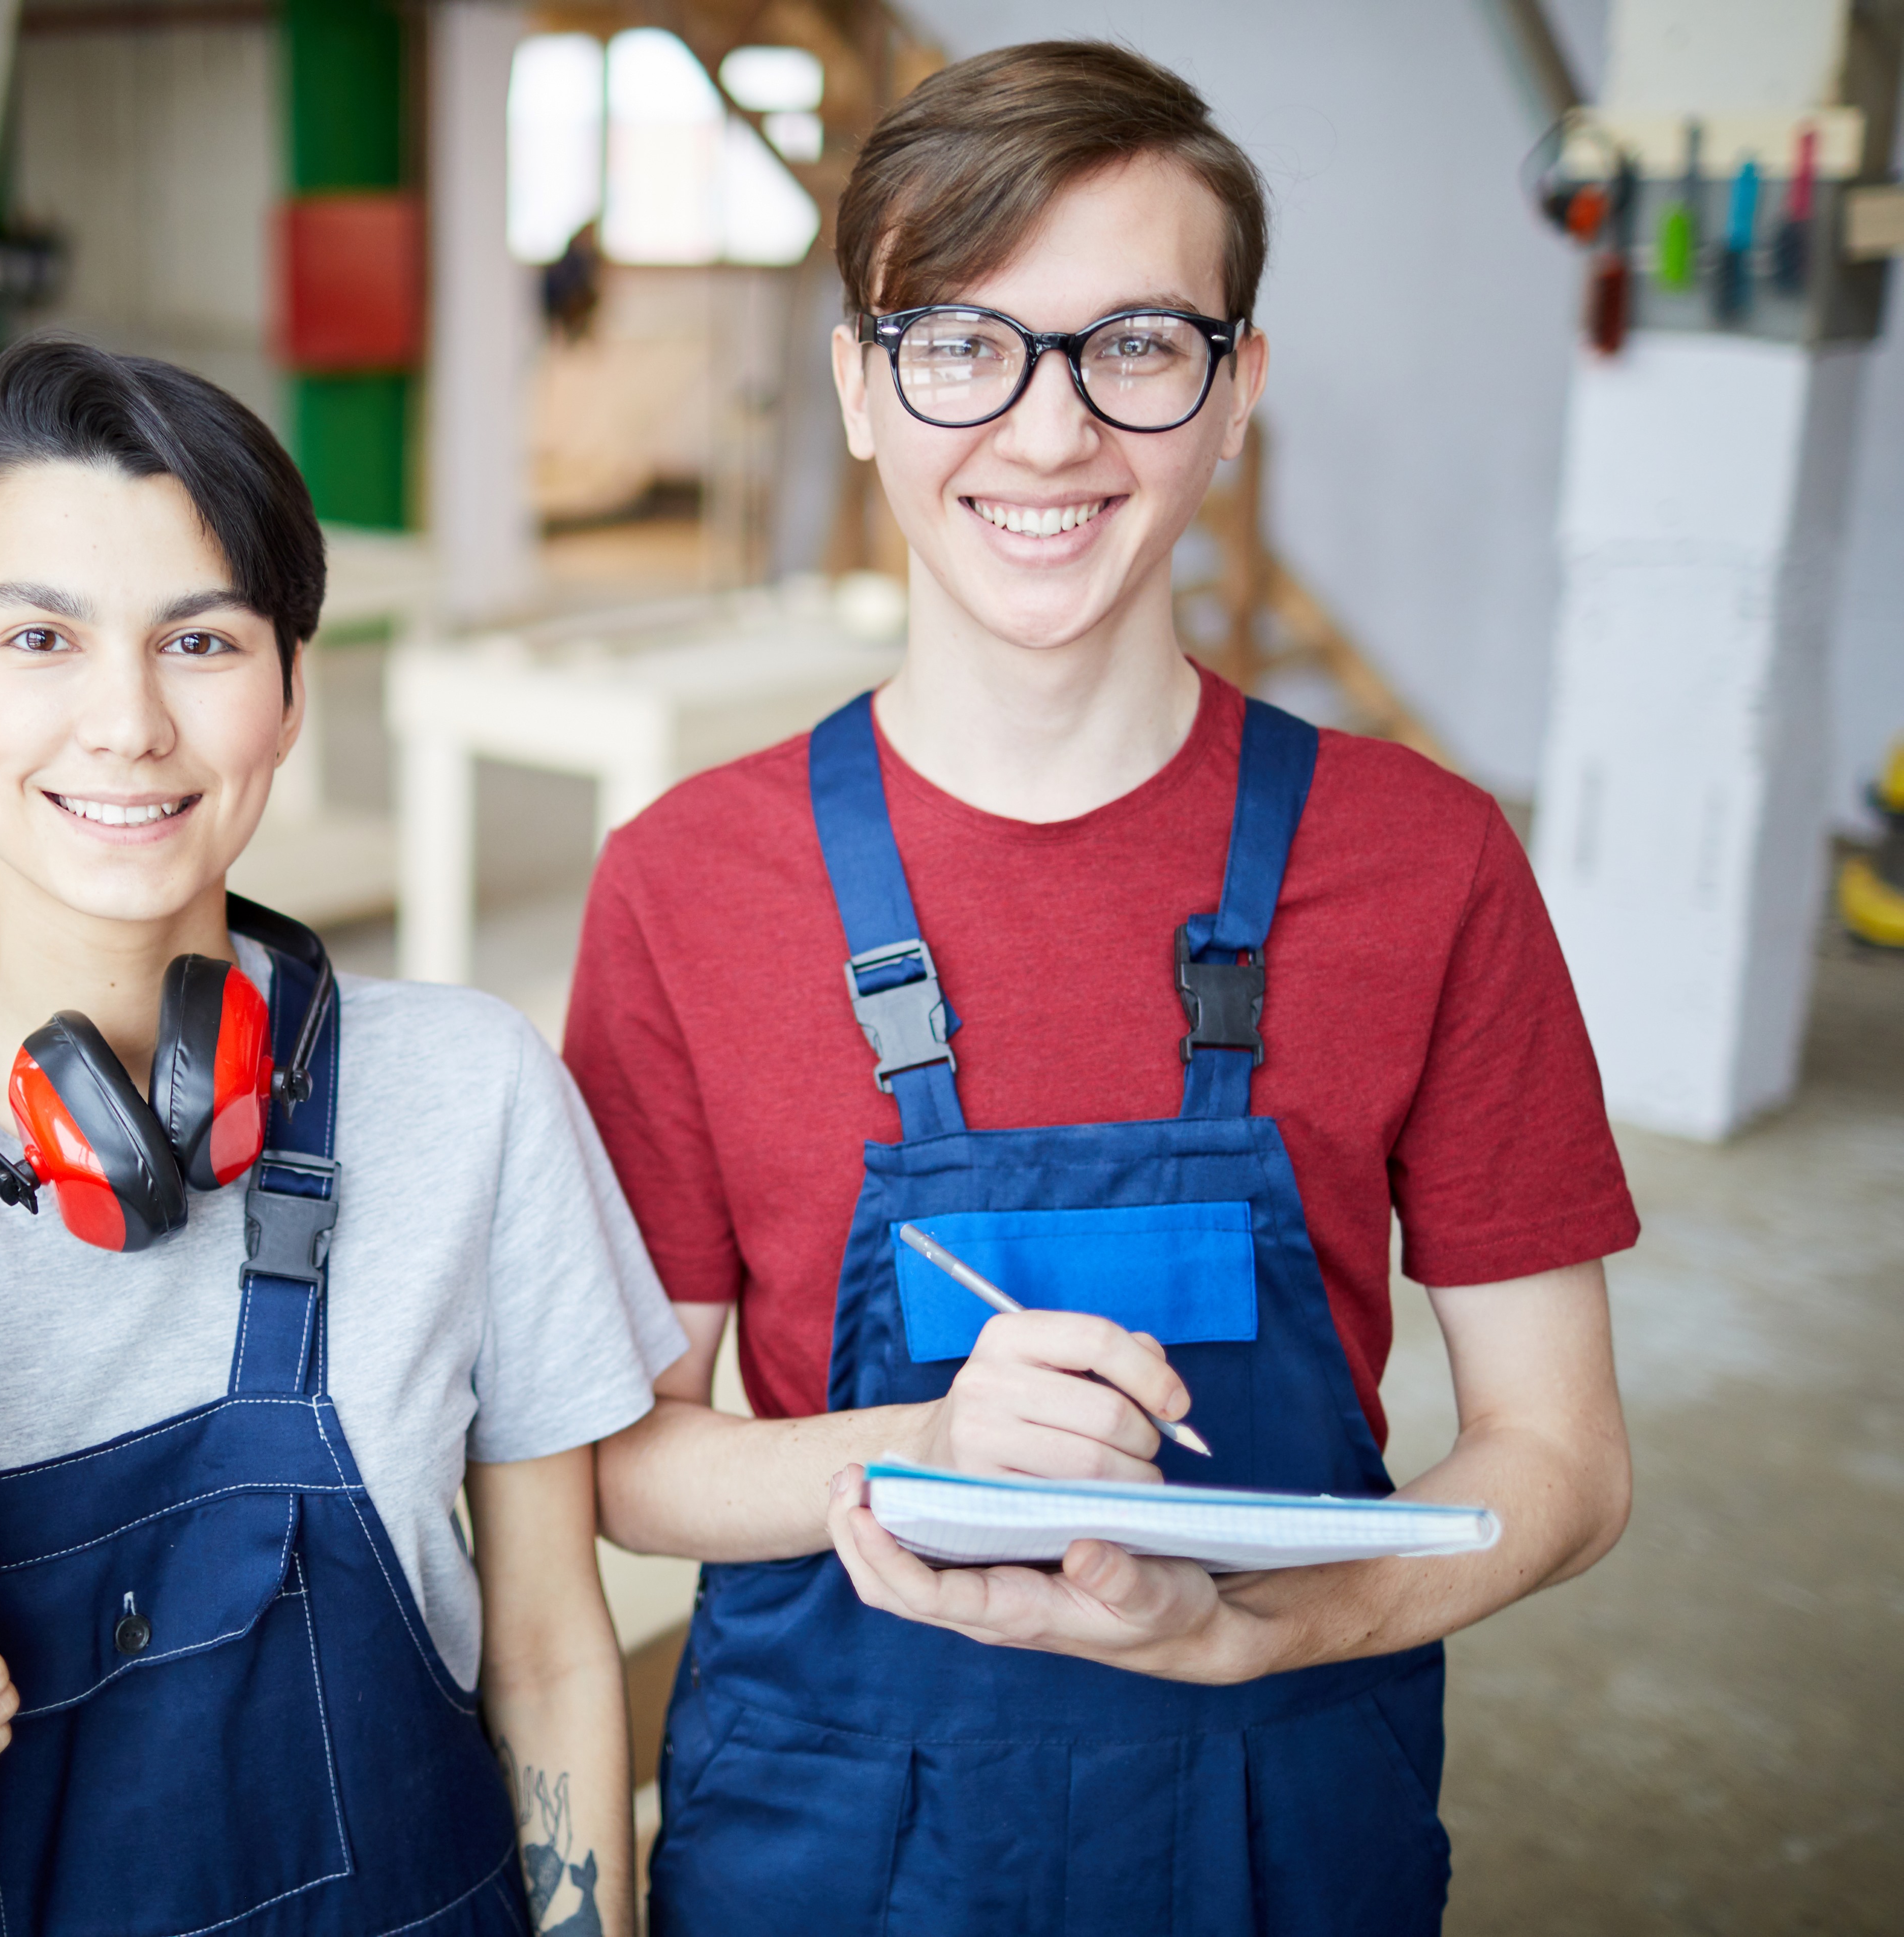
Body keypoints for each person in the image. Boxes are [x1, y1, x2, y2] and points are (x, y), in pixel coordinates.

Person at [567, 42, 1637, 1936]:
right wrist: (928, 1449)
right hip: (834, 1837)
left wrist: (1258, 1636)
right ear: (860, 389)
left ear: (1237, 397)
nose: (1049, 434)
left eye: (1137, 344)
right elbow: (636, 1465)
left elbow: (1561, 1459)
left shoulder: (1429, 861)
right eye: (962, 344)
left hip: (1280, 1806)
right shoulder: (688, 884)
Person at [0, 337, 681, 1935]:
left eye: (200, 640)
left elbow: (548, 1648)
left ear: (292, 692)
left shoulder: (472, 1093)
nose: (126, 724)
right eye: (39, 636)